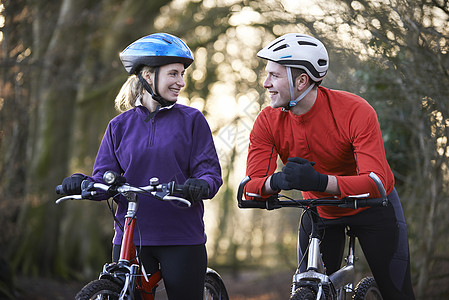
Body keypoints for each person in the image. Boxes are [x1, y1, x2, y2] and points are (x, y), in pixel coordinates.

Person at [243, 33, 415, 299]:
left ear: (302, 81)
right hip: (320, 212)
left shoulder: (356, 111)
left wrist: (320, 182)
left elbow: (376, 182)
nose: (266, 84)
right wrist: (275, 182)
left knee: (398, 293)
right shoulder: (267, 121)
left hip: (373, 207)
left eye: (274, 76)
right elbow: (250, 188)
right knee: (312, 289)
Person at [60, 33, 222, 300]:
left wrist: (200, 184)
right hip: (129, 237)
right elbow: (105, 178)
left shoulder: (192, 120)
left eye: (182, 74)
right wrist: (82, 181)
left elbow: (210, 173)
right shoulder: (119, 126)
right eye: (173, 74)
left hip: (180, 236)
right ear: (149, 76)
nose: (181, 82)